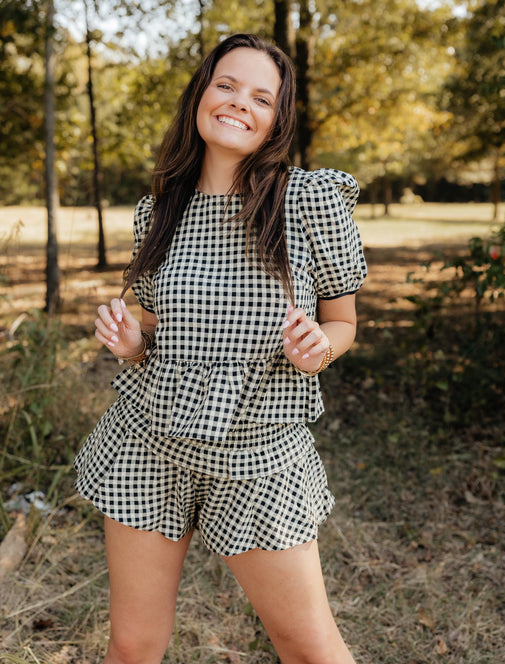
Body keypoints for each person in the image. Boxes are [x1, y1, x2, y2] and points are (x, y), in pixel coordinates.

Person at [75, 33, 367, 664]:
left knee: (308, 646)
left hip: (259, 455)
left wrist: (317, 349)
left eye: (262, 97)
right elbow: (147, 320)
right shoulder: (161, 208)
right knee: (131, 646)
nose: (240, 103)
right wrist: (129, 339)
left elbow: (342, 322)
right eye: (227, 85)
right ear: (201, 95)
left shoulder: (309, 200)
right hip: (147, 444)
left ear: (276, 120)